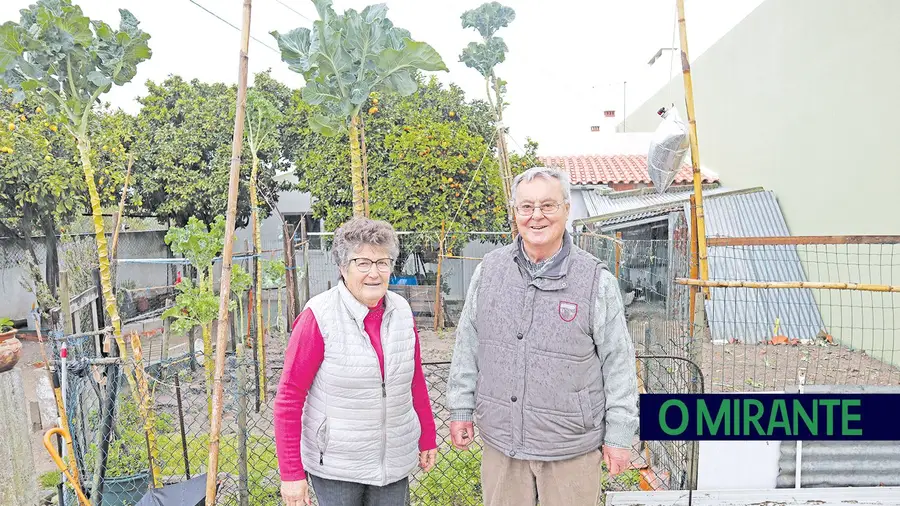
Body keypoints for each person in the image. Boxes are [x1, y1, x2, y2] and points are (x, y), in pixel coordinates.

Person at [447, 167, 640, 506]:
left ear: (567, 209)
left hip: (571, 447)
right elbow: (468, 345)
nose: (536, 216)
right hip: (502, 444)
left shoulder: (595, 280)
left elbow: (619, 363)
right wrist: (461, 407)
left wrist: (620, 435)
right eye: (526, 207)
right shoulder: (489, 271)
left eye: (548, 206)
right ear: (515, 212)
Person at [274, 217, 438, 506]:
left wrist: (427, 435)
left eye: (382, 262)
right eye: (363, 263)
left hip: (392, 463)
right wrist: (291, 475)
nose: (374, 273)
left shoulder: (401, 311)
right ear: (342, 267)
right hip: (337, 466)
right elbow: (289, 398)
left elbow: (414, 380)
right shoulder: (319, 316)